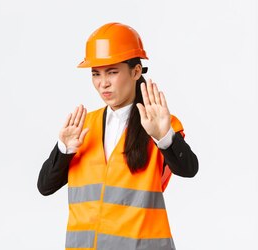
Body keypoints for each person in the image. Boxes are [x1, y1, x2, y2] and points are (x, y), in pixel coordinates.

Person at [37, 22, 199, 250]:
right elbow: (45, 186)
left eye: (112, 72)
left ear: (136, 72)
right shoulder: (84, 127)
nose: (103, 83)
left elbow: (188, 168)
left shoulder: (159, 124)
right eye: (96, 74)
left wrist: (164, 136)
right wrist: (64, 150)